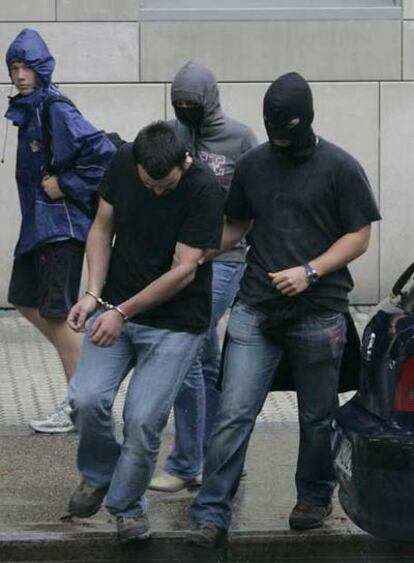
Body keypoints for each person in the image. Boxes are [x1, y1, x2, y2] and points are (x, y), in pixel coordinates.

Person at [186, 72, 382, 548]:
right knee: (234, 411)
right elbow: (237, 225)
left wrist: (310, 271)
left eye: (285, 130)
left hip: (319, 312)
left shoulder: (341, 167)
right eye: (271, 129)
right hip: (256, 309)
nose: (278, 140)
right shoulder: (253, 165)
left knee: (317, 417)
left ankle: (313, 498)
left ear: (304, 120)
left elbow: (359, 236)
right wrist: (199, 250)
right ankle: (212, 511)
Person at [66, 121, 225, 543]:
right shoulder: (123, 161)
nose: (156, 192)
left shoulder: (205, 190)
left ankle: (126, 508)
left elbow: (184, 272)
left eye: (165, 186)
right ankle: (100, 474)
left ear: (184, 162)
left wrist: (121, 310)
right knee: (85, 398)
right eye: (148, 184)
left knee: (142, 419)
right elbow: (102, 227)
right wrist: (92, 295)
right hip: (115, 306)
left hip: (176, 322)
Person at [150, 61, 258, 492]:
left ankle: (186, 461)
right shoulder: (172, 133)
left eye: (192, 105)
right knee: (207, 360)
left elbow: (249, 209)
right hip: (181, 260)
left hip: (225, 258)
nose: (185, 111)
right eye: (179, 105)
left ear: (210, 100)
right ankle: (223, 455)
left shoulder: (241, 139)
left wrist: (206, 252)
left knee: (186, 346)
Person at [4, 28, 116, 433]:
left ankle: (80, 405)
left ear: (41, 68)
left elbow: (104, 154)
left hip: (60, 229)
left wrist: (65, 183)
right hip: (38, 227)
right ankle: (81, 378)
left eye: (26, 67)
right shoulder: (29, 109)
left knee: (59, 314)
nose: (19, 75)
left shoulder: (54, 109)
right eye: (14, 67)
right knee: (23, 298)